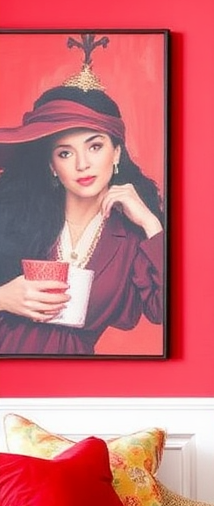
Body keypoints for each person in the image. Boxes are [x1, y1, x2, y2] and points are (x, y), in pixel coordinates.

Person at [0, 83, 165, 355]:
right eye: (65, 152)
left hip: (76, 380)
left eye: (95, 146)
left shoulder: (133, 238)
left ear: (117, 153)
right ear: (52, 166)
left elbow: (165, 310)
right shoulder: (18, 216)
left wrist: (151, 224)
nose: (82, 164)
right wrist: (3, 298)